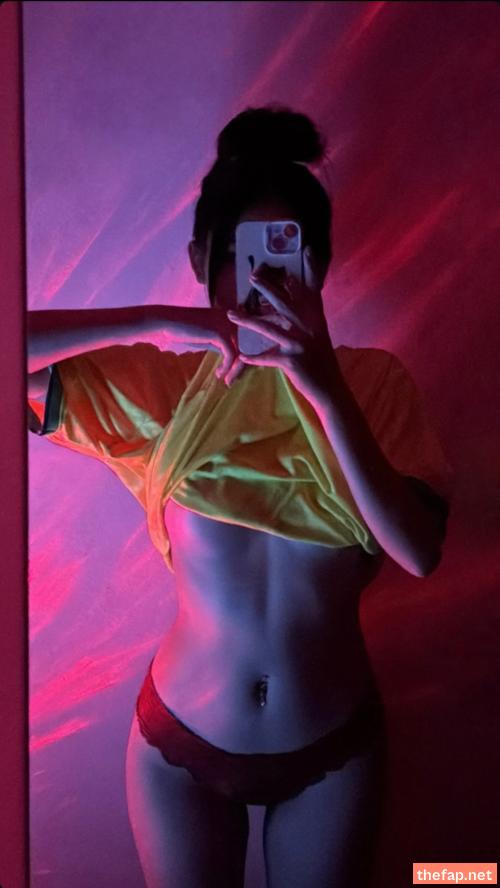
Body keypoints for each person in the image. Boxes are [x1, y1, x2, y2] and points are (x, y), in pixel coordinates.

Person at [28, 106, 451, 888]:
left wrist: (325, 389)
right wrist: (157, 320)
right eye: (237, 255)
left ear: (317, 264)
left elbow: (420, 552)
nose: (259, 279)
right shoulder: (161, 388)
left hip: (332, 748)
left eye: (282, 253)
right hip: (180, 746)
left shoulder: (374, 385)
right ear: (200, 257)